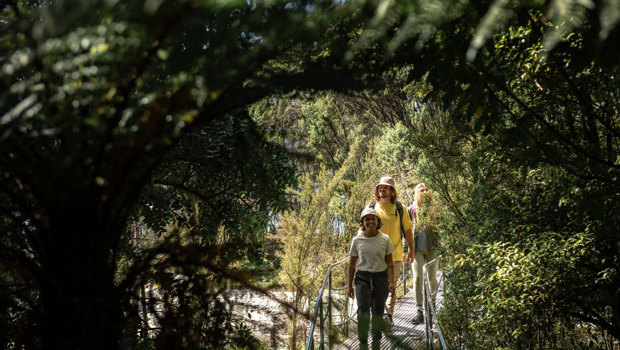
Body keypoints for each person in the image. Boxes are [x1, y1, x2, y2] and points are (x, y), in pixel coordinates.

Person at [367, 176, 415, 330]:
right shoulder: (371, 207)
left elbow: (408, 232)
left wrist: (411, 251)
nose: (382, 189)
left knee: (391, 287)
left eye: (386, 187)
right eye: (380, 187)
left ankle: (388, 316)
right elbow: (362, 231)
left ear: (392, 191)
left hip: (394, 255)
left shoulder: (400, 209)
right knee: (375, 288)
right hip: (374, 256)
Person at [347, 207, 395, 350]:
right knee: (363, 311)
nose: (370, 221)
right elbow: (351, 264)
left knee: (378, 311)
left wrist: (392, 282)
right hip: (362, 278)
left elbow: (390, 263)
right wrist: (349, 286)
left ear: (377, 221)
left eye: (373, 218)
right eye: (367, 219)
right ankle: (362, 343)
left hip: (381, 278)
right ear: (362, 222)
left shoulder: (385, 239)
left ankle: (377, 342)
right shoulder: (356, 240)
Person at [409, 183, 441, 324]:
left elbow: (441, 228)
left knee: (432, 277)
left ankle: (432, 306)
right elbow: (407, 231)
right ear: (417, 192)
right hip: (416, 248)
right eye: (421, 190)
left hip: (432, 247)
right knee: (417, 278)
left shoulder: (435, 209)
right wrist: (406, 250)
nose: (425, 192)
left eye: (426, 190)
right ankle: (419, 311)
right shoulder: (411, 209)